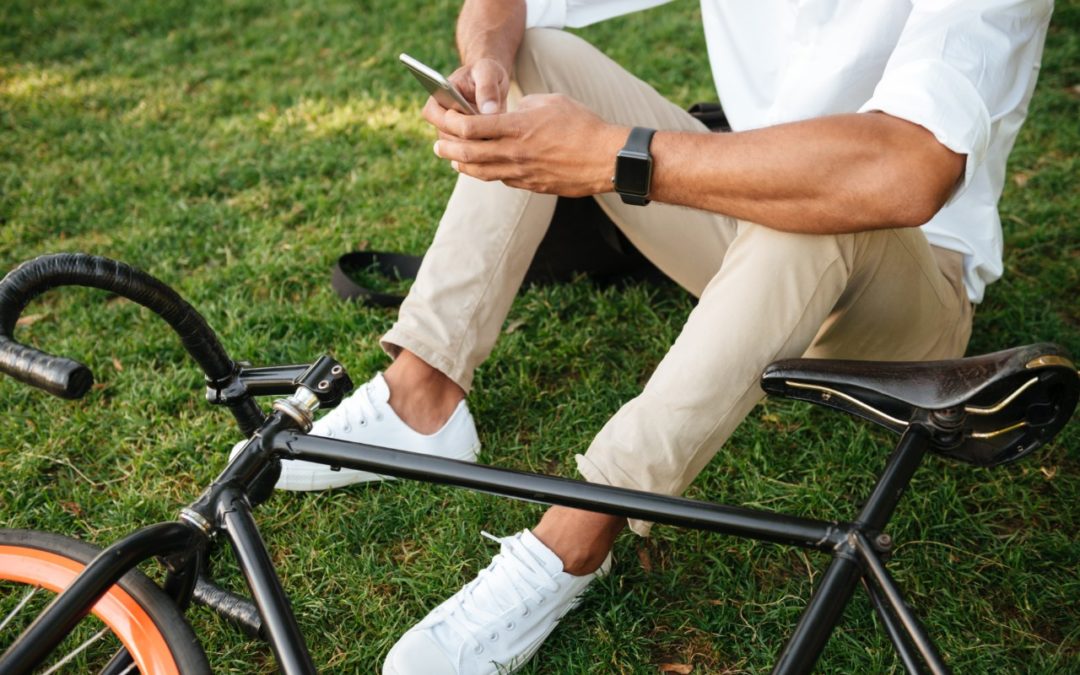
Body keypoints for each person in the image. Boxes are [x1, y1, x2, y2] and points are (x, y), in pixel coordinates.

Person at [280, 1, 1053, 672]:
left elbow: (903, 171)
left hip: (908, 292)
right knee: (536, 58)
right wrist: (486, 62)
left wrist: (616, 153)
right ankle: (425, 398)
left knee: (819, 209)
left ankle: (572, 537)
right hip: (751, 229)